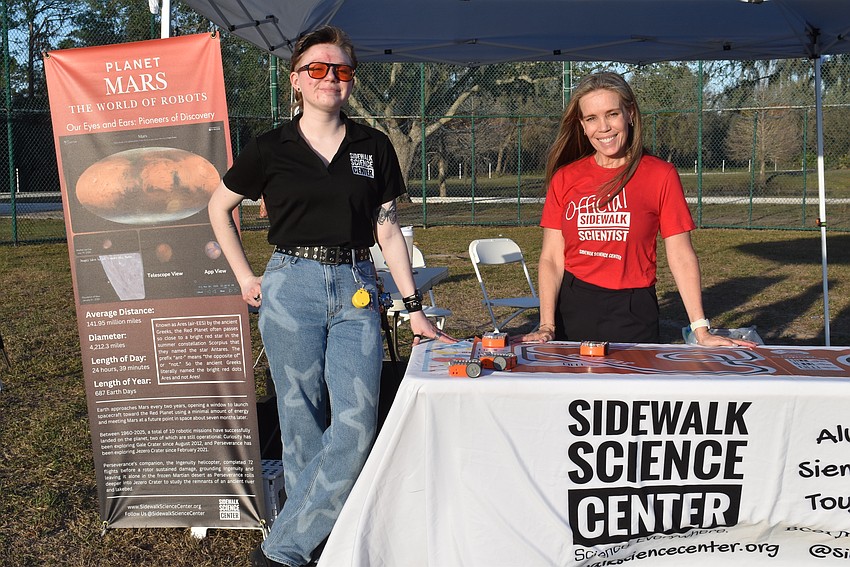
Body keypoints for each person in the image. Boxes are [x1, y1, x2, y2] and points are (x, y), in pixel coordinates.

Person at [208, 25, 454, 567]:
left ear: (350, 80)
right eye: (317, 69)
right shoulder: (270, 147)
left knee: (356, 422)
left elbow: (387, 232)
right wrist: (247, 278)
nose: (330, 78)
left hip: (356, 288)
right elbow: (217, 208)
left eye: (341, 70)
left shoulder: (372, 145)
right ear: (295, 79)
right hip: (289, 285)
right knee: (299, 421)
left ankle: (281, 549)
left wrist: (414, 311)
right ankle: (317, 547)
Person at [523, 72, 755, 348]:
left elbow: (680, 254)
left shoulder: (661, 175)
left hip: (633, 310)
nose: (604, 127)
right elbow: (551, 257)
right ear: (582, 126)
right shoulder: (565, 177)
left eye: (612, 114)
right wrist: (547, 325)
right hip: (573, 309)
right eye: (591, 118)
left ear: (630, 114)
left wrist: (700, 329)